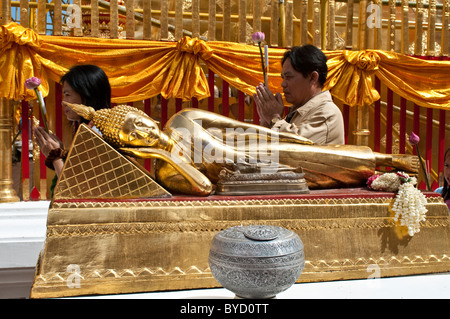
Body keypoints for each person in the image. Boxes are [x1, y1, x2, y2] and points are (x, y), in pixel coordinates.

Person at [65, 103, 420, 196]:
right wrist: (160, 153)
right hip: (257, 174)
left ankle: (392, 163)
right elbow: (205, 187)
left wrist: (289, 138)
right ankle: (388, 168)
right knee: (329, 173)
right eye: (132, 135)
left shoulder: (181, 119)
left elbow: (235, 126)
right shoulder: (167, 169)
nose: (142, 131)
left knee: (333, 154)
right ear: (130, 146)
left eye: (138, 122)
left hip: (264, 147)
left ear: (145, 116)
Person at [33, 65, 111, 193]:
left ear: (87, 96)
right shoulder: (89, 128)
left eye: (68, 95)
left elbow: (75, 190)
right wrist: (62, 152)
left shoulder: (99, 133)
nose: (63, 102)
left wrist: (55, 157)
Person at [253, 44, 344, 145]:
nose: (283, 84)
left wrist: (273, 117)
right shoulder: (298, 111)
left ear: (313, 77)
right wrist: (266, 121)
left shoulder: (327, 113)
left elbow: (296, 147)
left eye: (289, 77)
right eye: (283, 78)